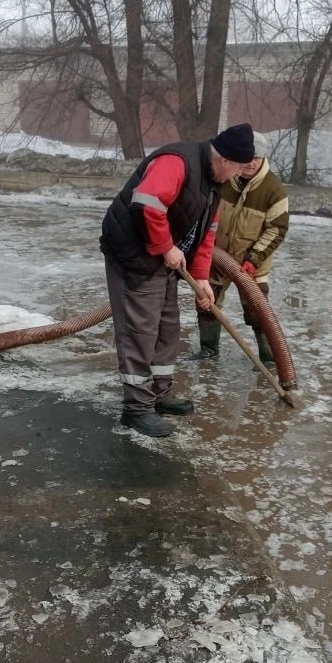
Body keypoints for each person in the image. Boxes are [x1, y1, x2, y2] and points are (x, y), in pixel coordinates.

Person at [100, 123, 256, 437]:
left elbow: (205, 236)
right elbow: (147, 203)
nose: (238, 175)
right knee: (140, 330)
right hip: (132, 252)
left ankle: (159, 393)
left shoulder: (214, 183)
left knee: (167, 326)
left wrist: (201, 281)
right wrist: (165, 246)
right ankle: (136, 409)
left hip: (163, 257)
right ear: (224, 159)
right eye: (238, 168)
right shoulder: (178, 162)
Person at [195, 130, 289, 365]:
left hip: (252, 265)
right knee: (207, 303)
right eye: (247, 158)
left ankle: (269, 359)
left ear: (263, 158)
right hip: (217, 257)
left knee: (258, 312)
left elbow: (276, 229)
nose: (250, 163)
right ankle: (208, 351)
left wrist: (254, 259)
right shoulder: (225, 178)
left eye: (255, 159)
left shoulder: (274, 190)